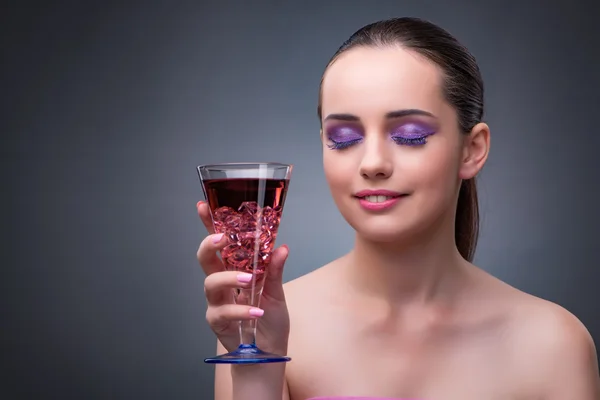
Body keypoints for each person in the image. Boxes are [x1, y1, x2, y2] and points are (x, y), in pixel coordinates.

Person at [196, 17, 600, 400]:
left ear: (472, 149)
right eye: (343, 137)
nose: (372, 163)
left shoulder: (552, 343)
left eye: (409, 135)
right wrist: (257, 368)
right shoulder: (260, 323)